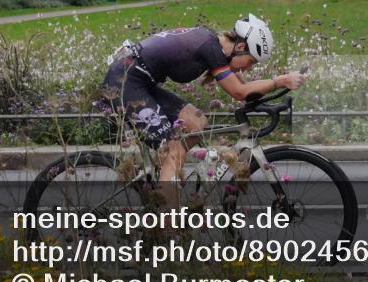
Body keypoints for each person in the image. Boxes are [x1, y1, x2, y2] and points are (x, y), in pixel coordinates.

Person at [101, 14, 306, 207]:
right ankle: (165, 226)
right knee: (174, 151)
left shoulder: (216, 46)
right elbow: (239, 92)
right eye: (251, 61)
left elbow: (246, 90)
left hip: (141, 81)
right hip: (124, 82)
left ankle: (164, 176)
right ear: (241, 46)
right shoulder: (211, 49)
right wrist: (280, 81)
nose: (249, 68)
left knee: (196, 122)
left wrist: (266, 96)